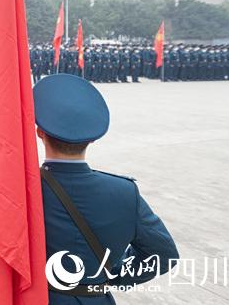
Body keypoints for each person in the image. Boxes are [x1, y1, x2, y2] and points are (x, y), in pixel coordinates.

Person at [33, 74, 178, 303]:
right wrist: (112, 273)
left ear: (40, 132)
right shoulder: (124, 193)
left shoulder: (25, 192)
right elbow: (163, 255)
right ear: (91, 139)